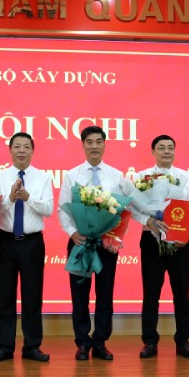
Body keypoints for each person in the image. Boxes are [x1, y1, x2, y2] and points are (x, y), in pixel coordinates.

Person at [58, 125, 133, 361]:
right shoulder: (72, 175)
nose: (94, 146)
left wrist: (114, 238)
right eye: (89, 142)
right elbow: (63, 209)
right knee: (79, 295)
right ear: (82, 145)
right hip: (80, 242)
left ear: (104, 144)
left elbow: (124, 211)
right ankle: (82, 343)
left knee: (104, 294)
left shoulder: (116, 175)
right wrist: (72, 233)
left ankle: (100, 342)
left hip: (106, 245)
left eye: (98, 141)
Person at [130, 135, 189, 359]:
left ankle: (183, 340)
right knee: (151, 293)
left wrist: (186, 234)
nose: (166, 151)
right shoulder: (142, 177)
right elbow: (133, 208)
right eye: (161, 148)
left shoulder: (186, 177)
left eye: (170, 147)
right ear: (153, 152)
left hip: (179, 242)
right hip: (152, 239)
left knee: (182, 293)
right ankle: (149, 341)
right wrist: (148, 222)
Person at [0, 132, 53, 362]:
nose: (22, 150)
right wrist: (11, 199)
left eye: (26, 146)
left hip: (32, 243)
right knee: (4, 296)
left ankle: (32, 346)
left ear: (32, 151)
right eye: (17, 146)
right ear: (10, 150)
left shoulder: (43, 178)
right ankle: (4, 346)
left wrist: (27, 196)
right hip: (5, 241)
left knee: (32, 296)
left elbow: (48, 209)